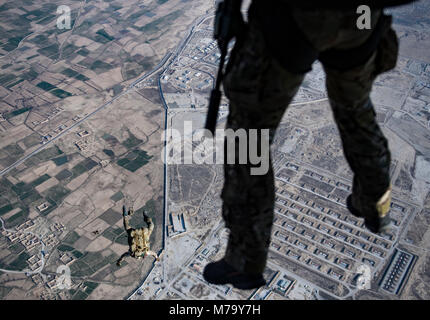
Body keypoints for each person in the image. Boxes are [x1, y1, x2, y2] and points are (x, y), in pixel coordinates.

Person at [203, 0, 416, 290]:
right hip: (362, 17)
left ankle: (245, 259)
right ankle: (375, 204)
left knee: (249, 139)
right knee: (356, 110)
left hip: (298, 15)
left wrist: (229, 7)